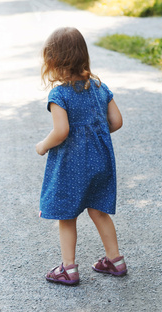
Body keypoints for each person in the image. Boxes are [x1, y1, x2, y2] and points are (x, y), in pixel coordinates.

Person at [36, 27, 127, 285]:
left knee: (67, 216)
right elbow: (117, 122)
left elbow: (61, 131)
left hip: (71, 166)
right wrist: (95, 132)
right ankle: (115, 260)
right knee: (99, 211)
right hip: (100, 161)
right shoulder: (99, 87)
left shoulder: (59, 95)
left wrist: (43, 145)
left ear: (54, 61)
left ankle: (68, 269)